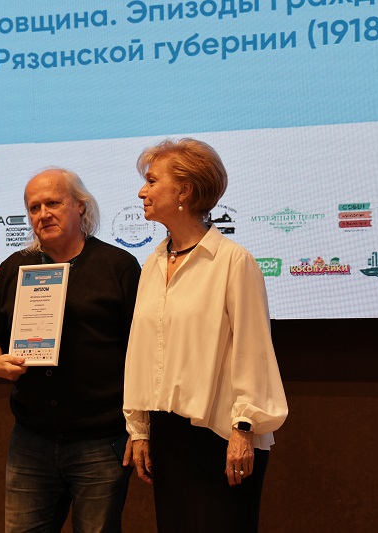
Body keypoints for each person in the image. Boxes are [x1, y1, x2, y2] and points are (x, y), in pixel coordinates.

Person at [122, 138, 288, 533]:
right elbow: (142, 352)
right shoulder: (152, 263)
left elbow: (253, 351)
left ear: (184, 190)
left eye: (151, 181)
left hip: (223, 435)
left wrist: (244, 429)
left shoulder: (233, 261)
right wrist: (139, 428)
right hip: (168, 435)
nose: (142, 192)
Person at [0, 168, 141, 533]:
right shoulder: (16, 267)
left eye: (53, 203)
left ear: (80, 206)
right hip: (32, 438)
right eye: (34, 207)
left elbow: (141, 350)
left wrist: (142, 427)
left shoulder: (118, 266)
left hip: (101, 439)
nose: (43, 214)